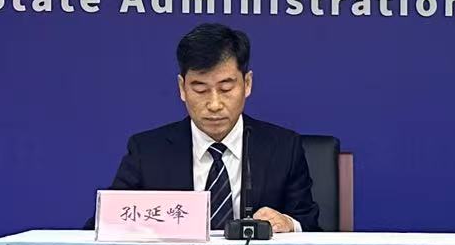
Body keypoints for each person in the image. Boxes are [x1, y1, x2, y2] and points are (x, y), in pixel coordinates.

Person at [104, 22, 320, 233]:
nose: (214, 104)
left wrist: (288, 223)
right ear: (182, 88)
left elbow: (309, 223)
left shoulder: (283, 148)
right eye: (200, 90)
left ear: (247, 84)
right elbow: (105, 224)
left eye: (226, 88)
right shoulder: (147, 151)